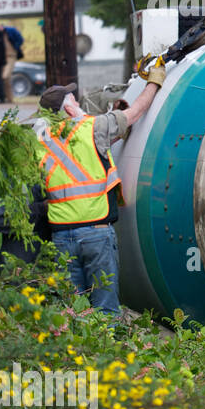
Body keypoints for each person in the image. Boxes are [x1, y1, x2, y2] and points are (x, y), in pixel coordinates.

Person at [32, 69, 163, 315]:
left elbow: (73, 156)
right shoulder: (93, 127)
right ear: (70, 110)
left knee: (72, 311)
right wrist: (154, 83)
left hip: (61, 238)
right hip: (96, 235)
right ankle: (109, 349)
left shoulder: (40, 142)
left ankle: (79, 351)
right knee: (106, 310)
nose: (79, 102)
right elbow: (135, 113)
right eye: (74, 101)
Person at [0, 19, 26, 103]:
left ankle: (6, 97)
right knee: (5, 79)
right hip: (1, 58)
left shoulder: (10, 30)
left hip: (11, 56)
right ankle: (8, 98)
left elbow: (20, 39)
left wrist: (15, 47)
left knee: (4, 76)